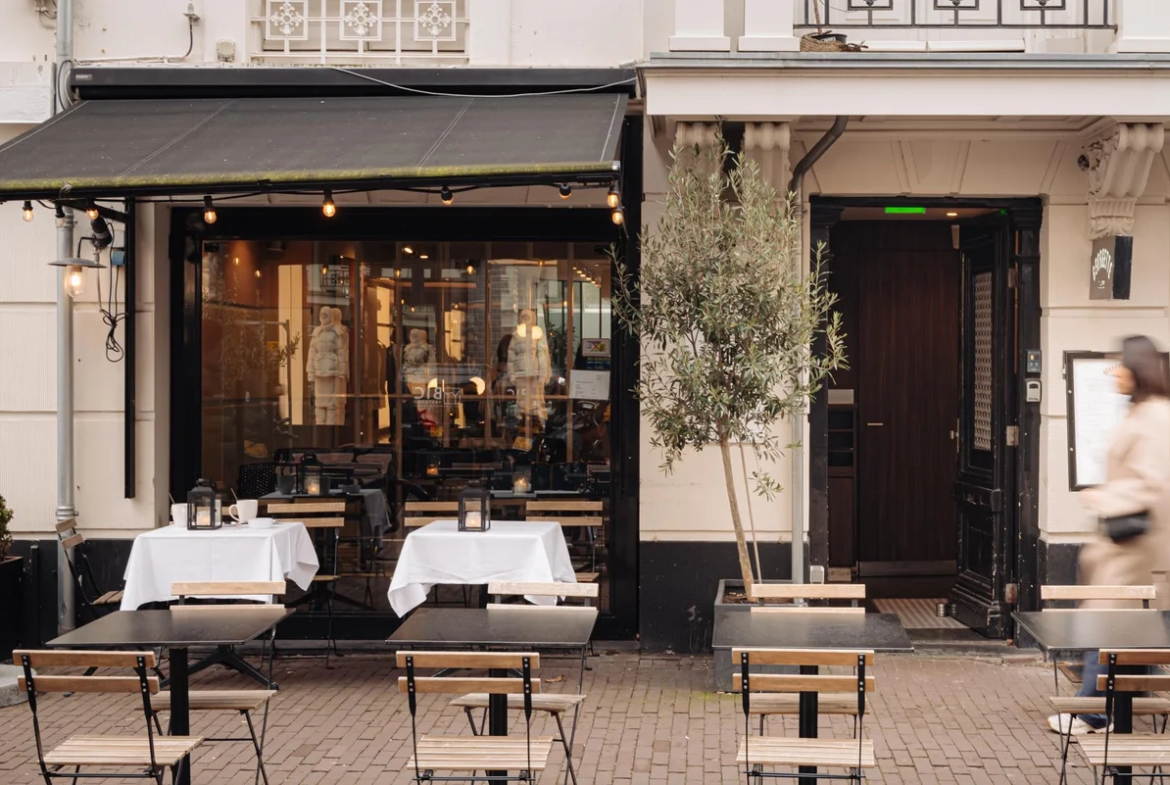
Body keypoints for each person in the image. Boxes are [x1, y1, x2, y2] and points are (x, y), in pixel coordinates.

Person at [1048, 335, 1170, 736]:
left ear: (1137, 370)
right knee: (1122, 631)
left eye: (1120, 366)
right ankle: (1116, 707)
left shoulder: (1155, 416)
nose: (1115, 373)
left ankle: (1093, 713)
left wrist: (1106, 498)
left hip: (1134, 549)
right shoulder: (1144, 412)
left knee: (1105, 626)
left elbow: (1155, 484)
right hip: (1127, 548)